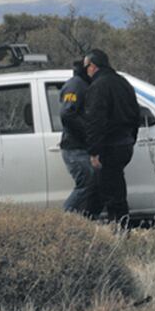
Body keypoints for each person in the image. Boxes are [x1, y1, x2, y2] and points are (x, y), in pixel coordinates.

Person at [84, 49, 141, 227]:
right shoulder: (123, 82)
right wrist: (132, 138)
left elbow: (96, 121)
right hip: (125, 144)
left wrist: (94, 151)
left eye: (86, 67)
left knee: (112, 192)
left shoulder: (99, 86)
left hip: (110, 146)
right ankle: (115, 225)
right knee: (113, 185)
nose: (86, 71)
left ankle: (120, 227)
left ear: (93, 66)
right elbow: (135, 114)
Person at [59, 59, 102, 216]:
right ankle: (65, 221)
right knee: (87, 184)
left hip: (82, 146)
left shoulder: (85, 84)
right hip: (75, 148)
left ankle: (87, 223)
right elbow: (67, 114)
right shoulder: (76, 85)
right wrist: (89, 132)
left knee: (95, 187)